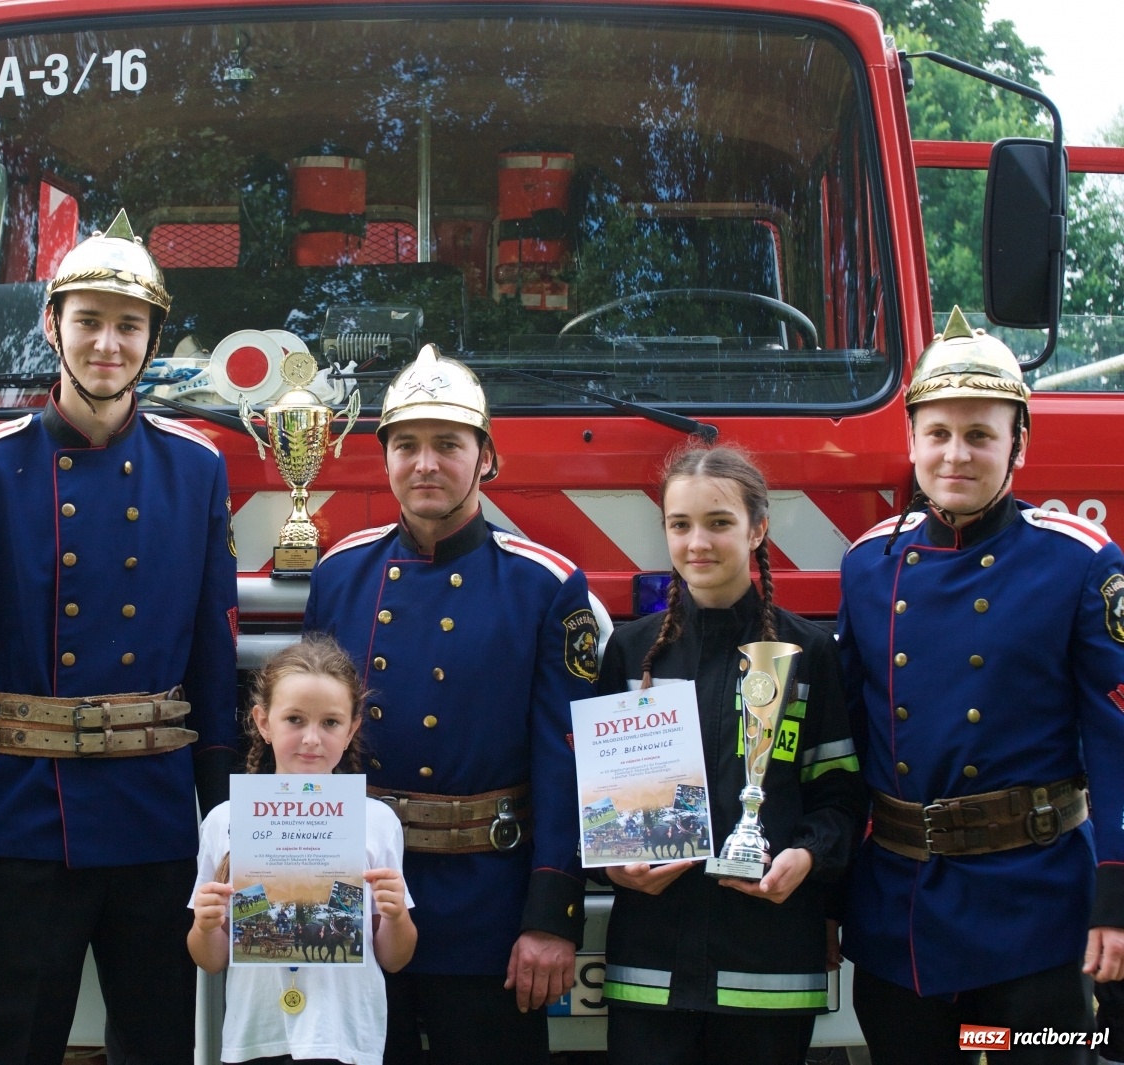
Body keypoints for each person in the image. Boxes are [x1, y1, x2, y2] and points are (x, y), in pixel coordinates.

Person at [0, 210, 239, 1063]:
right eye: (88, 320)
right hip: (29, 815)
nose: (108, 343)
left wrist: (223, 816)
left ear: (153, 338)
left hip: (159, 816)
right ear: (51, 326)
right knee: (13, 1040)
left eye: (128, 325)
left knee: (159, 1042)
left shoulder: (197, 467)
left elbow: (214, 658)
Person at [302, 343, 611, 1065]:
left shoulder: (544, 584)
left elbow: (566, 761)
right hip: (357, 903)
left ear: (487, 458)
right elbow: (303, 750)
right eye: (406, 445)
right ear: (384, 461)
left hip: (488, 909)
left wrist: (553, 916)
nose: (426, 463)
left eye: (449, 444)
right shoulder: (340, 573)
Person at [838, 307, 1124, 1063]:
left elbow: (1118, 739)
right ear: (911, 440)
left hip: (1032, 912)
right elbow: (844, 740)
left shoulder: (1079, 561)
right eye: (937, 434)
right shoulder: (868, 565)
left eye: (979, 435)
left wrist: (1117, 900)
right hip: (901, 917)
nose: (955, 455)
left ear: (1018, 444)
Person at [593, 444, 863, 1065]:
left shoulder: (809, 653)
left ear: (758, 528)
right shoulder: (630, 655)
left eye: (719, 523)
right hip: (649, 967)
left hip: (768, 966)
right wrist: (610, 867)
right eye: (680, 525)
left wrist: (806, 857)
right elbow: (594, 804)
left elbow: (841, 797)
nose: (697, 543)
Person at [188, 634, 417, 1065]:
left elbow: (394, 957)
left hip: (346, 1038)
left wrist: (396, 915)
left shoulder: (377, 821)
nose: (312, 738)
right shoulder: (224, 820)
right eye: (294, 719)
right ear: (262, 721)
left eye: (330, 723)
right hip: (258, 1036)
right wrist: (205, 925)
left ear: (351, 730)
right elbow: (211, 960)